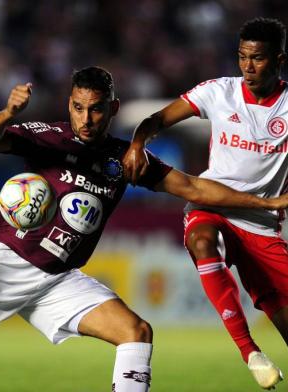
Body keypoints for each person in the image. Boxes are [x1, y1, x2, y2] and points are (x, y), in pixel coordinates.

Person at [0, 67, 288, 392]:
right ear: (70, 104)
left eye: (97, 110)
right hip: (9, 262)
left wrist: (267, 203)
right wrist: (7, 113)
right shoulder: (49, 139)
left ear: (113, 109)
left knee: (136, 331)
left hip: (59, 279)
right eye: (79, 108)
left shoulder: (126, 158)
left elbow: (193, 187)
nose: (86, 119)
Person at [123, 17, 288, 390]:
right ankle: (250, 352)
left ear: (278, 59)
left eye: (258, 58)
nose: (247, 66)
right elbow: (156, 119)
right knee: (202, 242)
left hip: (261, 224)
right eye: (242, 57)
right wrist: (138, 142)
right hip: (212, 205)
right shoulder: (218, 91)